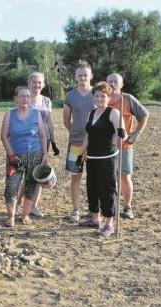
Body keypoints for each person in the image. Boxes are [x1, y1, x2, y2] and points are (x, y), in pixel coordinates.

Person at [78, 81, 126, 237]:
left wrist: (121, 134)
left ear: (108, 97)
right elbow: (88, 136)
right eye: (97, 96)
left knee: (108, 190)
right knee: (92, 189)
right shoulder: (92, 113)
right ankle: (95, 219)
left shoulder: (113, 113)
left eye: (103, 96)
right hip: (91, 157)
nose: (99, 99)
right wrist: (80, 154)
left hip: (107, 158)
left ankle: (109, 224)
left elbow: (122, 134)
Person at [1, 86, 49, 227]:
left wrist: (45, 154)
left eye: (27, 96)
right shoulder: (10, 114)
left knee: (31, 186)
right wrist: (11, 155)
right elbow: (4, 136)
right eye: (22, 96)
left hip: (35, 155)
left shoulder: (36, 114)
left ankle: (26, 215)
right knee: (11, 186)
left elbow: (42, 135)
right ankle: (11, 217)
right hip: (15, 157)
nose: (25, 99)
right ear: (15, 98)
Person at [15, 72, 60, 218]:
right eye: (34, 82)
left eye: (40, 82)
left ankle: (34, 206)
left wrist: (53, 141)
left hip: (44, 140)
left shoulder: (46, 101)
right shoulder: (26, 100)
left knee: (40, 173)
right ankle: (18, 203)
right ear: (29, 83)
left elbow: (50, 122)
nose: (37, 85)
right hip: (29, 142)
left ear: (43, 84)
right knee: (29, 175)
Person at [107, 73, 150, 220]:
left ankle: (127, 207)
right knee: (107, 178)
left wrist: (137, 133)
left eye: (116, 81)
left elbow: (144, 115)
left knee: (125, 177)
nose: (113, 84)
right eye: (110, 81)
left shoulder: (128, 99)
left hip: (124, 146)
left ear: (121, 84)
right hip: (106, 149)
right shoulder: (102, 98)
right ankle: (108, 206)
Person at [63, 61, 96, 222]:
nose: (83, 77)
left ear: (91, 76)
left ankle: (93, 209)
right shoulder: (70, 96)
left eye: (85, 74)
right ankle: (76, 209)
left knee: (94, 178)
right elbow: (66, 121)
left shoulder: (97, 94)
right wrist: (76, 133)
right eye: (80, 75)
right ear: (76, 77)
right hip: (75, 143)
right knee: (75, 176)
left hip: (96, 144)